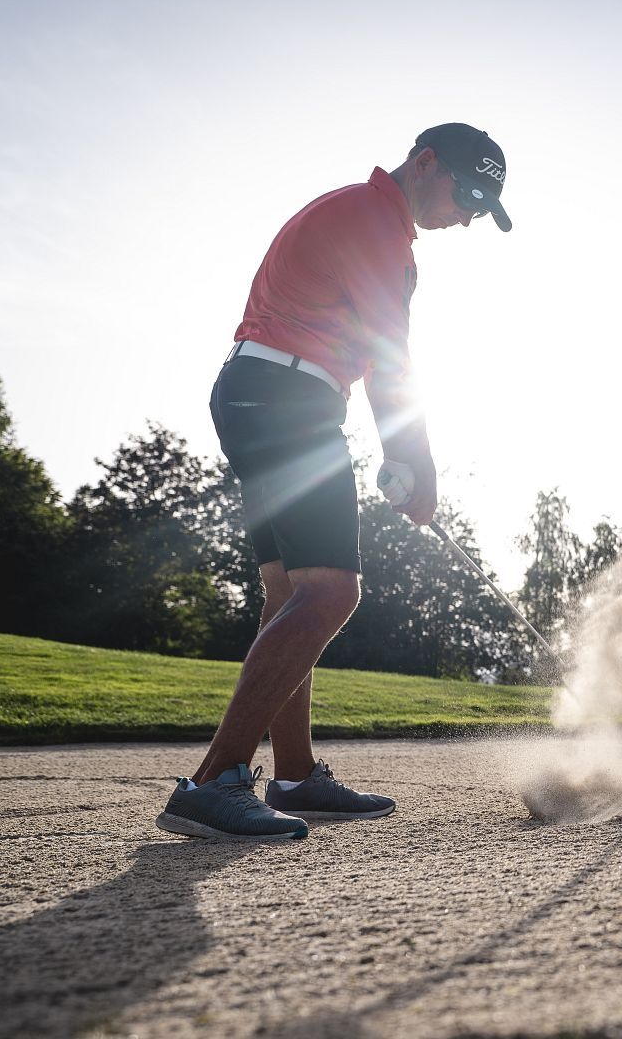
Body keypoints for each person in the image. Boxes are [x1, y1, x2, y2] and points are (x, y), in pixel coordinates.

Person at [156, 123, 512, 841]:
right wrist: (415, 464)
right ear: (425, 162)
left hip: (264, 391)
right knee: (333, 591)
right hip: (286, 397)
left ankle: (294, 775)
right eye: (469, 192)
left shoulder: (368, 218)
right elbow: (390, 357)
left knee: (290, 592)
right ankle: (213, 780)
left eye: (485, 206)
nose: (470, 214)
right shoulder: (374, 221)